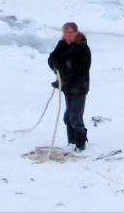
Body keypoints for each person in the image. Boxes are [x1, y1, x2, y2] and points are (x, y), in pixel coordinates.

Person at [48, 21, 91, 151]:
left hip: (79, 87)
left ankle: (80, 145)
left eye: (71, 32)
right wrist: (56, 69)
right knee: (68, 117)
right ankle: (71, 142)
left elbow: (80, 70)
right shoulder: (62, 44)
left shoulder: (82, 48)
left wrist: (64, 79)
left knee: (75, 118)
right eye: (66, 33)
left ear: (76, 32)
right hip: (67, 88)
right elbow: (52, 59)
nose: (68, 35)